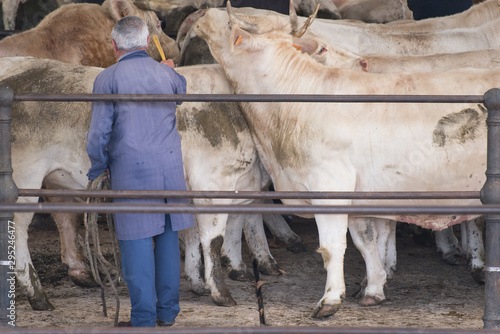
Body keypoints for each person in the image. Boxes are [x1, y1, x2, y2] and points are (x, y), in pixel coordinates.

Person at [86, 16, 194, 328]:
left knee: (136, 242)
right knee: (167, 239)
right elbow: (181, 92)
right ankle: (168, 314)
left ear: (113, 45)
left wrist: (98, 167)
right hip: (170, 170)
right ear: (147, 43)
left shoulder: (108, 79)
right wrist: (170, 70)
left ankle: (143, 318)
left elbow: (97, 137)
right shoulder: (164, 72)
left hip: (132, 171)